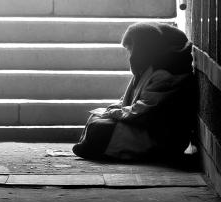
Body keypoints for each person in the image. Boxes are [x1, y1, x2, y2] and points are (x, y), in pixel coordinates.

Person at [72, 22, 196, 161]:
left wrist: (115, 113)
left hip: (158, 136)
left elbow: (144, 111)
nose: (130, 54)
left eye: (130, 49)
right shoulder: (150, 66)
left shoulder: (167, 74)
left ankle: (94, 149)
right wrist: (113, 109)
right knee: (95, 118)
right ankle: (91, 147)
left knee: (99, 128)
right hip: (140, 125)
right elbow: (129, 98)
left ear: (141, 48)